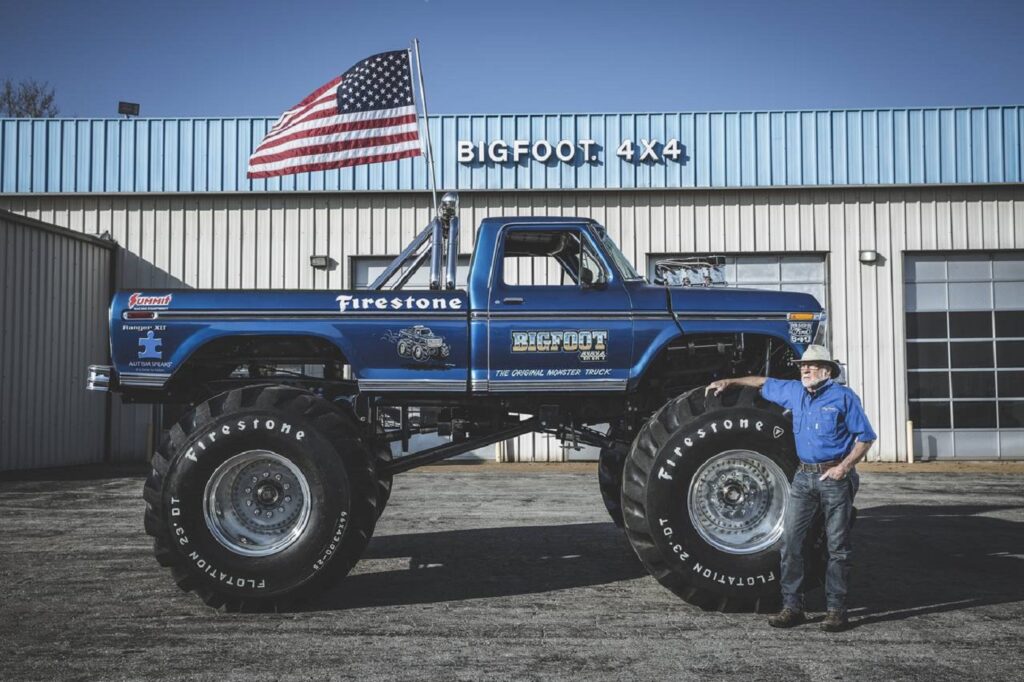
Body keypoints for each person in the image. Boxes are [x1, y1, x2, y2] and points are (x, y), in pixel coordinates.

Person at [705, 344, 876, 632]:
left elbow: (866, 437)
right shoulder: (795, 391)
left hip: (834, 479)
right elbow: (761, 382)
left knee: (838, 548)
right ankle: (792, 607)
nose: (804, 370)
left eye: (811, 366)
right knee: (791, 543)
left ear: (827, 370)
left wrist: (843, 468)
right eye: (802, 366)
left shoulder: (844, 397)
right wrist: (730, 381)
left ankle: (836, 610)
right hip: (802, 478)